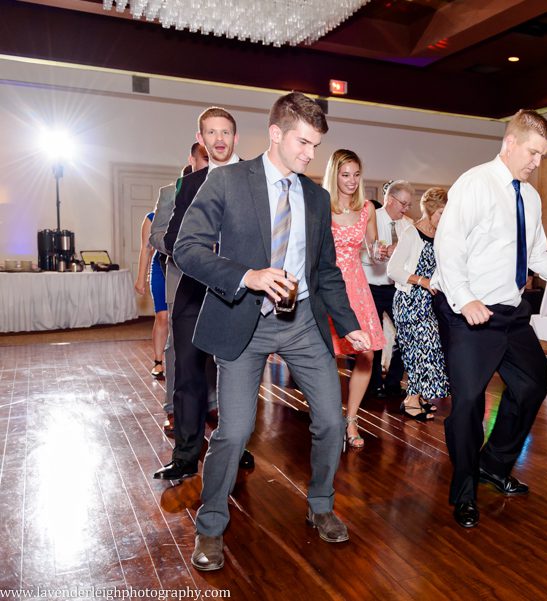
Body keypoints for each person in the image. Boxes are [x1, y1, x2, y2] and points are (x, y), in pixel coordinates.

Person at [173, 92, 370, 571]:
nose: (310, 154)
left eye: (316, 145)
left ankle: (321, 505)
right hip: (245, 322)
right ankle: (211, 525)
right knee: (235, 431)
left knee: (330, 421)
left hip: (302, 324)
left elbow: (327, 272)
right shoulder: (226, 181)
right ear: (276, 133)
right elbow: (187, 248)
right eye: (303, 142)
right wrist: (247, 276)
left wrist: (351, 327)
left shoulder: (317, 198)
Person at [432, 109, 547, 528]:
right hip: (470, 315)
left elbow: (537, 255)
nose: (537, 162)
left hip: (511, 313)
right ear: (510, 143)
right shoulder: (474, 184)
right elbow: (447, 247)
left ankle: (494, 463)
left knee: (532, 383)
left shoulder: (530, 196)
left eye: (543, 155)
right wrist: (465, 299)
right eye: (534, 152)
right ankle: (464, 490)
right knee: (468, 404)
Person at [156, 108, 253, 480]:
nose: (219, 139)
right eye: (211, 132)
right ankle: (185, 454)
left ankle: (236, 445)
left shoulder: (254, 181)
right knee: (188, 374)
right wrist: (202, 251)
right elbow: (171, 239)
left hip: (240, 292)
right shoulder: (191, 185)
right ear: (201, 138)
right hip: (194, 291)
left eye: (225, 132)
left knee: (238, 375)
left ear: (236, 137)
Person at [322, 149, 386, 449]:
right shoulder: (322, 206)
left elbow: (372, 248)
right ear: (334, 174)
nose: (351, 180)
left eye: (356, 174)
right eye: (345, 174)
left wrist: (379, 251)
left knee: (367, 353)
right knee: (326, 355)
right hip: (328, 285)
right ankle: (329, 419)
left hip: (357, 286)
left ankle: (352, 418)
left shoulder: (367, 209)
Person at [149, 142, 209, 435]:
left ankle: (212, 402)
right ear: (192, 159)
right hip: (181, 277)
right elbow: (156, 236)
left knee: (216, 345)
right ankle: (174, 408)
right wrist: (184, 247)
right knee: (178, 349)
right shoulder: (170, 192)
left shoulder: (228, 191)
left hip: (218, 282)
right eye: (205, 158)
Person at [387, 187, 450, 420]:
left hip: (431, 303)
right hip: (409, 300)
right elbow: (392, 269)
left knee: (430, 349)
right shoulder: (411, 234)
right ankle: (411, 400)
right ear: (431, 210)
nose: (445, 218)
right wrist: (422, 281)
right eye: (442, 213)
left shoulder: (441, 235)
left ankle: (420, 396)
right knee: (417, 350)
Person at [362, 180, 415, 398]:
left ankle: (393, 383)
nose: (405, 208)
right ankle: (373, 386)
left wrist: (401, 254)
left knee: (405, 336)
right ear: (390, 200)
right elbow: (360, 253)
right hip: (372, 287)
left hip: (397, 289)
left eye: (408, 204)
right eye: (403, 203)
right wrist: (377, 254)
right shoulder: (371, 218)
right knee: (372, 340)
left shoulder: (408, 225)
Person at [133, 211, 168, 380]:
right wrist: (141, 278)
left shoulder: (189, 213)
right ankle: (158, 361)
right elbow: (146, 249)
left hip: (182, 269)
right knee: (162, 316)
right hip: (160, 268)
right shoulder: (152, 218)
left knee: (182, 318)